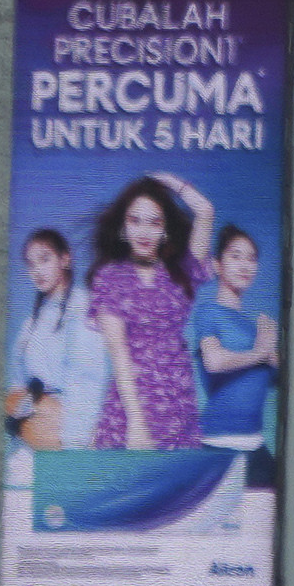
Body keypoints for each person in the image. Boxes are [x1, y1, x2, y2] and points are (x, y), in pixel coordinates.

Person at [80, 180, 206, 451]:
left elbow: (205, 211)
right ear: (124, 228)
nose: (144, 231)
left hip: (180, 404)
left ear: (165, 230)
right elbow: (119, 353)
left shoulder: (181, 272)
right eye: (135, 221)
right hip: (132, 409)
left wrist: (171, 183)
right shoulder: (110, 277)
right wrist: (137, 422)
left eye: (154, 222)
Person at [1, 228, 105, 452]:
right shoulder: (31, 322)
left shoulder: (82, 306)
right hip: (31, 427)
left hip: (72, 426)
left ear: (65, 258)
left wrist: (75, 441)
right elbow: (16, 383)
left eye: (44, 259)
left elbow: (87, 380)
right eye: (31, 264)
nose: (37, 270)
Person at [189, 227, 276, 450]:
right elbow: (214, 361)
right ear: (217, 265)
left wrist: (275, 354)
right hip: (217, 441)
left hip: (255, 442)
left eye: (251, 259)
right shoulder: (209, 312)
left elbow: (275, 381)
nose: (245, 265)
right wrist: (261, 353)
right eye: (236, 256)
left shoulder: (258, 329)